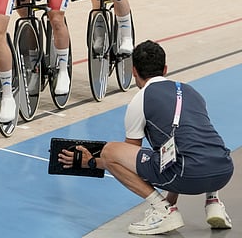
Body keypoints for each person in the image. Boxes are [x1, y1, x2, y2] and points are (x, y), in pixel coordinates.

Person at [58, 40, 234, 235]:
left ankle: (162, 211)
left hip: (188, 173)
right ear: (165, 68)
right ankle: (213, 203)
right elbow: (181, 147)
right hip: (223, 171)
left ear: (134, 71)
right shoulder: (191, 91)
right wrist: (171, 200)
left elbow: (126, 160)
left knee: (110, 151)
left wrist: (91, 162)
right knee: (195, 141)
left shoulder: (140, 99)